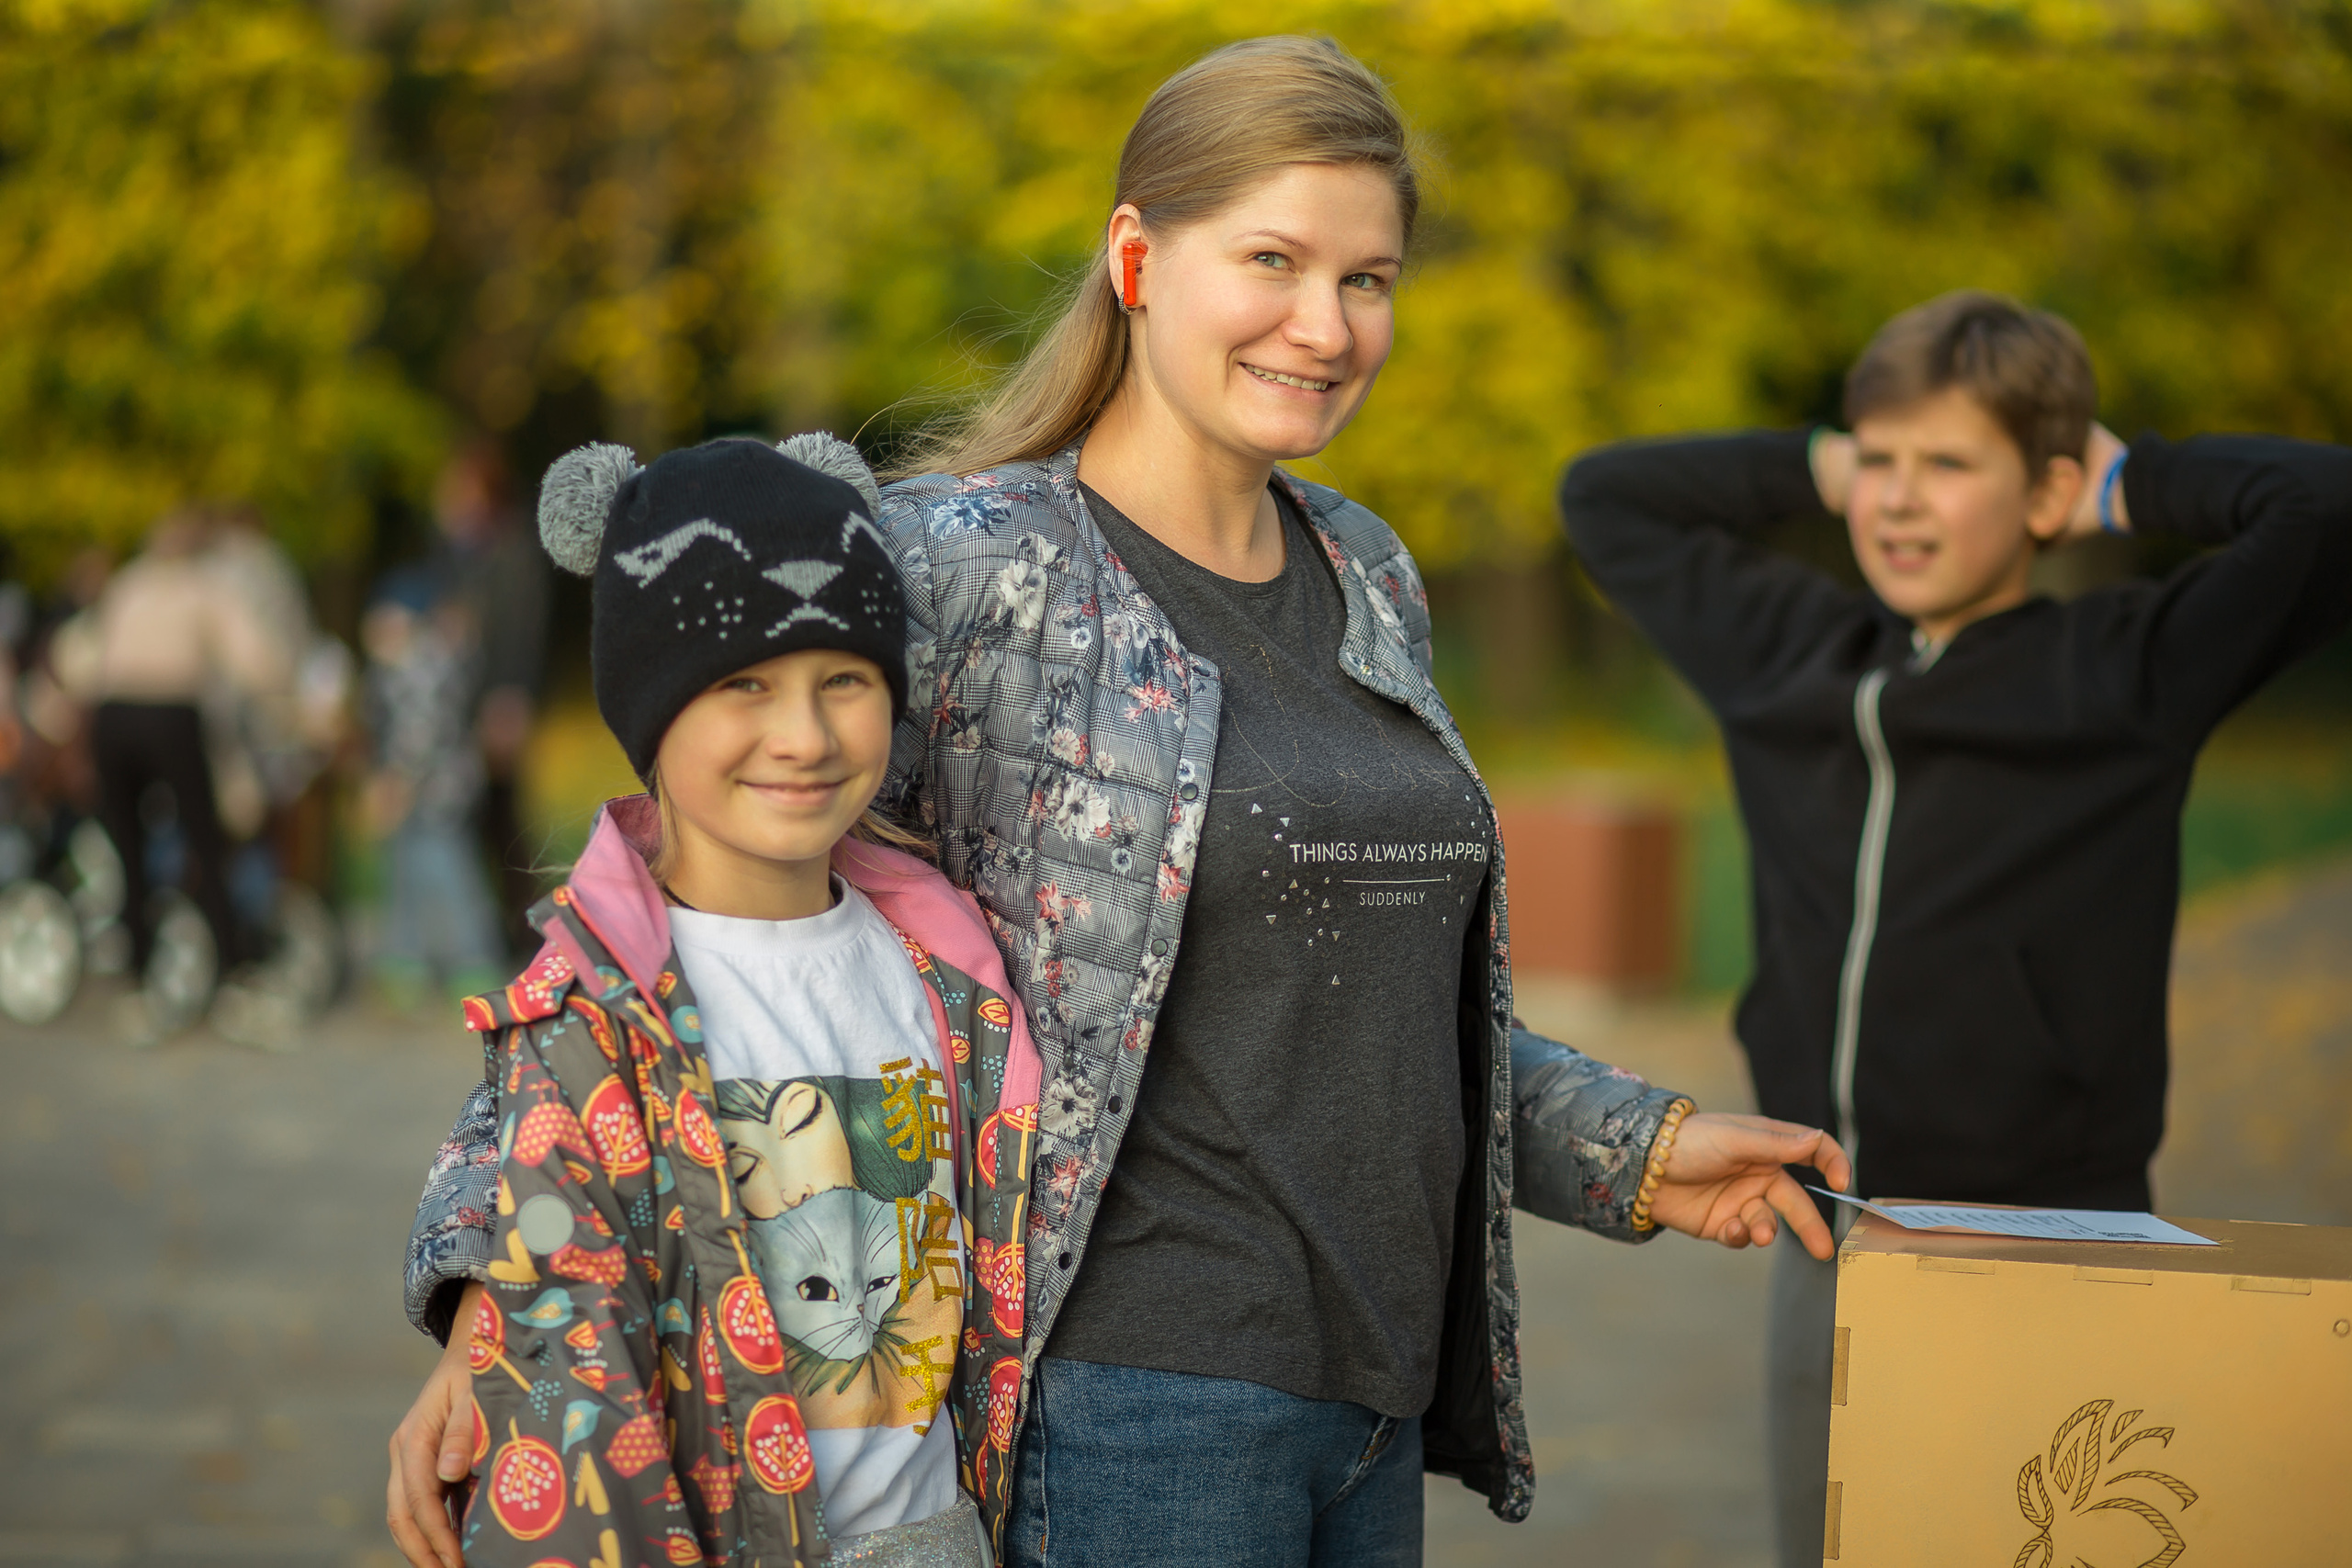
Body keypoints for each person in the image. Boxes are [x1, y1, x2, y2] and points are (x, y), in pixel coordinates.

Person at [393, 36, 1850, 1568]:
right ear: (1138, 257)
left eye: (1370, 278)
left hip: (1373, 1411)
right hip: (1136, 1411)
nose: (1327, 323)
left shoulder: (1367, 568)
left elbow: (1376, 1009)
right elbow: (655, 921)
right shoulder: (958, 564)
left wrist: (1634, 1148)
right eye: (1274, 260)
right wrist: (493, 1305)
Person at [1557, 288, 2352, 1567]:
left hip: (2054, 1241)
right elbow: (1606, 494)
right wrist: (1826, 456)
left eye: (1948, 463)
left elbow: (2326, 507)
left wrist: (2134, 486)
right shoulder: (1786, 653)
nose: (1900, 497)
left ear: (2045, 493)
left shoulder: (2125, 670)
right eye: (1881, 460)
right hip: (1830, 1230)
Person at [395, 434, 1040, 1566]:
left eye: (843, 680)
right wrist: (481, 1317)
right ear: (650, 712)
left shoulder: (953, 967)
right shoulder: (599, 1013)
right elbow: (548, 1224)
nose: (802, 736)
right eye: (743, 685)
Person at [72, 508, 286, 996]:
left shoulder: (128, 583)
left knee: (130, 848)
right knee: (205, 842)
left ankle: (138, 967)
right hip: (170, 713)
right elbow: (253, 658)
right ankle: (231, 966)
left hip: (113, 716)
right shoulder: (202, 587)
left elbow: (80, 655)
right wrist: (288, 693)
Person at [361, 568, 502, 1009]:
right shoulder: (395, 667)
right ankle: (408, 961)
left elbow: (420, 736)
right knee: (405, 873)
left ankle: (473, 958)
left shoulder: (422, 666)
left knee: (445, 871)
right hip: (413, 791)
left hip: (439, 791)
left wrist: (392, 786)